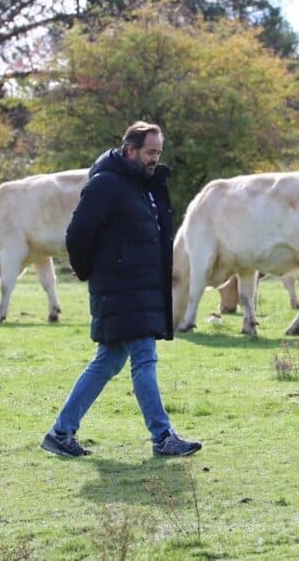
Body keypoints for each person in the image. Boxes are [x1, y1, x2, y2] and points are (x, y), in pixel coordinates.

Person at [41, 121, 202, 458]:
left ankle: (60, 432)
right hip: (122, 290)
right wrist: (92, 273)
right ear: (130, 150)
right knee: (144, 358)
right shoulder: (107, 185)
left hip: (138, 290)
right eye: (150, 152)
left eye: (158, 152)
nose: (155, 159)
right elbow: (77, 234)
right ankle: (162, 436)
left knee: (108, 362)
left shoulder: (140, 185)